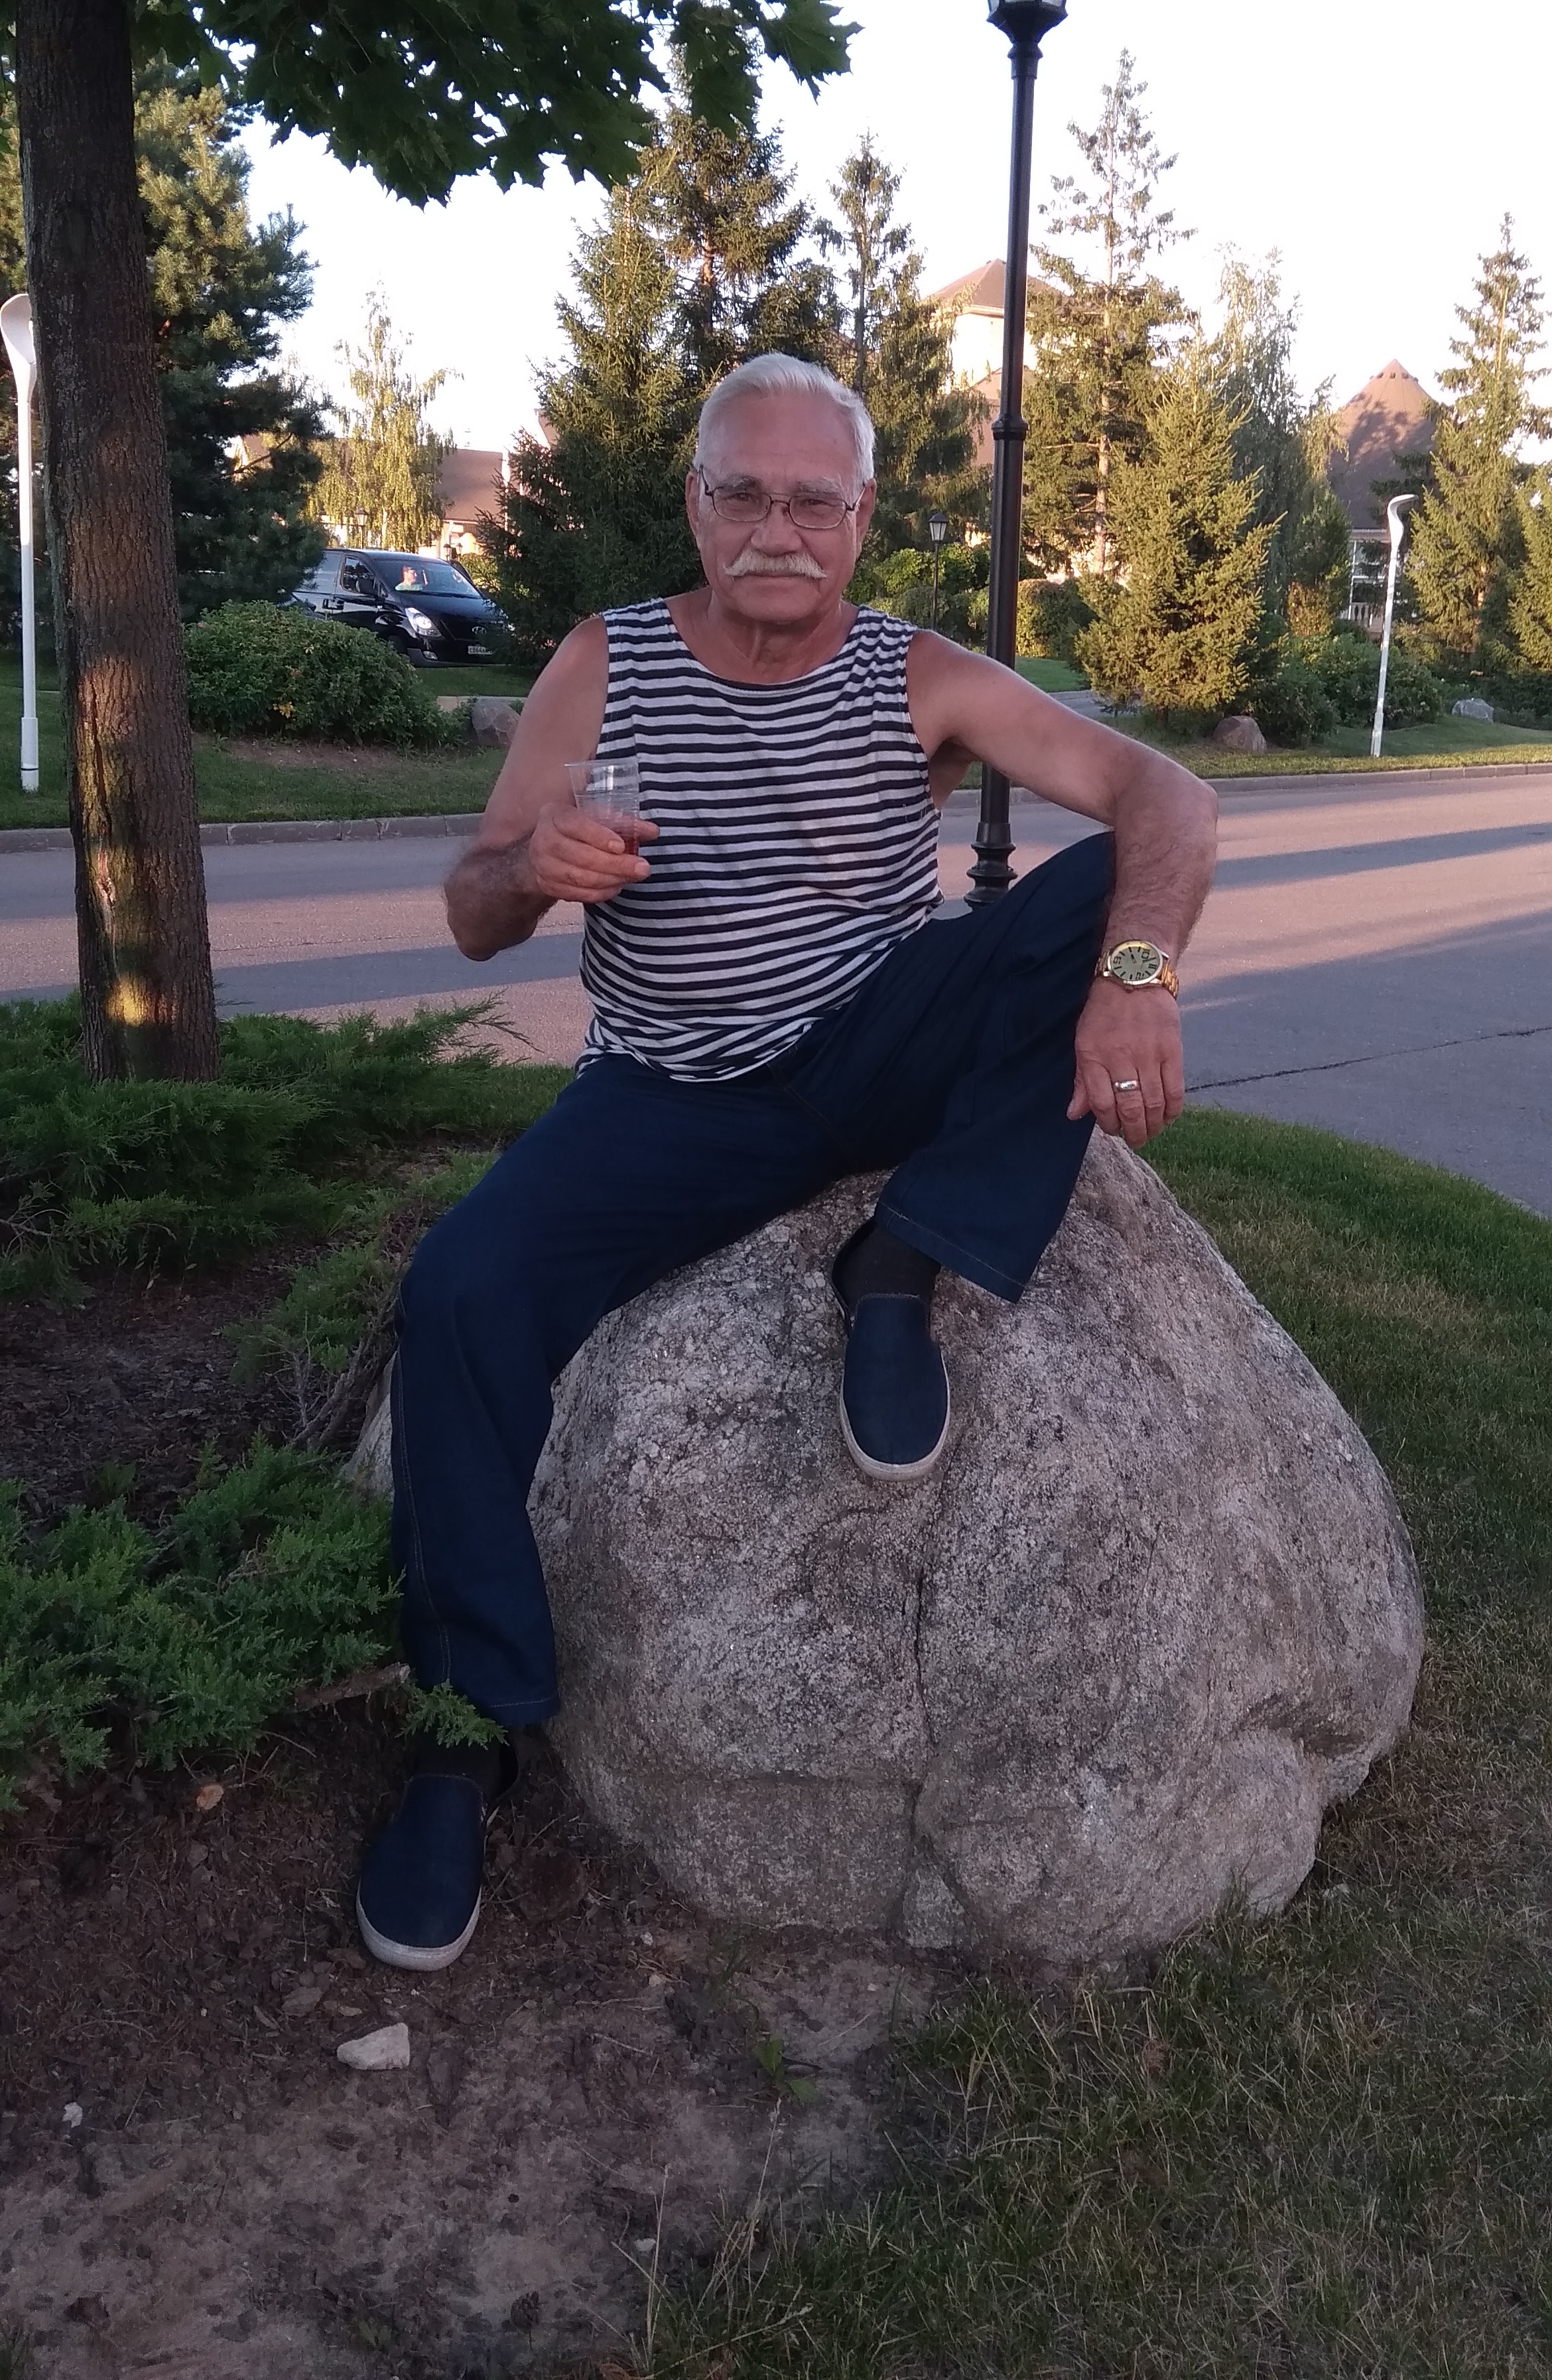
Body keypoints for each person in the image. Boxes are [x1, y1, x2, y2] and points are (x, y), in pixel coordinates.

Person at [356, 352, 1218, 1972]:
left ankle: (903, 1257)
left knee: (1105, 890)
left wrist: (1136, 975)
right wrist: (531, 866)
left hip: (878, 1044)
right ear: (695, 504)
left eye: (813, 499)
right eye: (742, 492)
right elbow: (471, 913)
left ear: (862, 517)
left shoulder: (917, 673)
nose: (776, 528)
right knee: (463, 1291)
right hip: (669, 1096)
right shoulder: (604, 663)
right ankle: (467, 1732)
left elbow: (1161, 792)